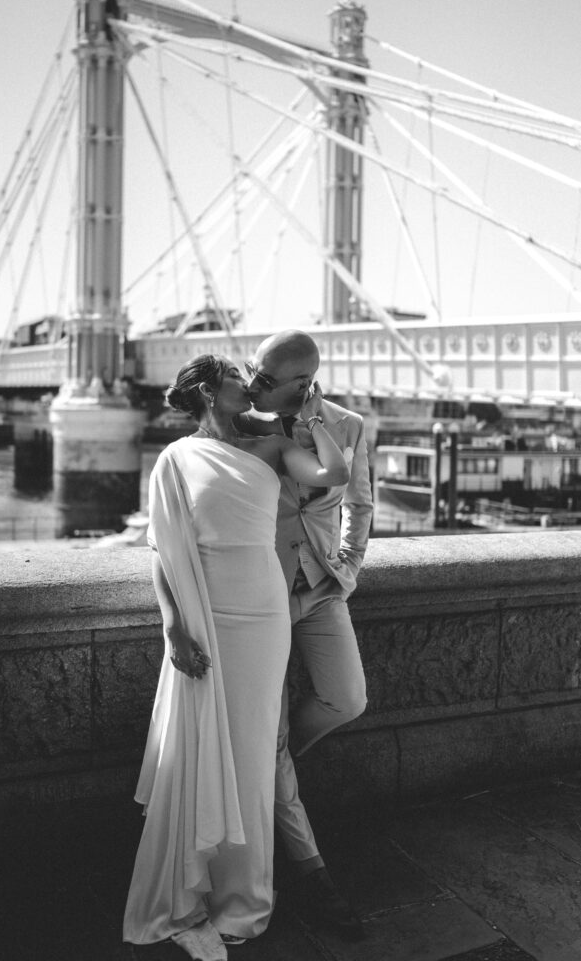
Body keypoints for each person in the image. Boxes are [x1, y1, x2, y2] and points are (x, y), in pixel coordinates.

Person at [123, 354, 349, 961]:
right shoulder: (174, 459)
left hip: (266, 613)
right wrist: (174, 628)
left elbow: (333, 473)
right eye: (234, 375)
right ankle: (200, 887)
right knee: (204, 748)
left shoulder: (273, 445)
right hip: (209, 613)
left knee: (251, 755)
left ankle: (247, 903)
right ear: (205, 389)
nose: (247, 385)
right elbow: (163, 549)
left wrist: (310, 412)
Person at [238, 329, 373, 940]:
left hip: (318, 588)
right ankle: (313, 875)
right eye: (252, 373)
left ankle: (273, 763)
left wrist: (346, 569)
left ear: (303, 383)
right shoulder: (238, 424)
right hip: (261, 593)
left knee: (347, 698)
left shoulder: (346, 423)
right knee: (267, 741)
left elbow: (360, 505)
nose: (253, 386)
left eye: (266, 380)